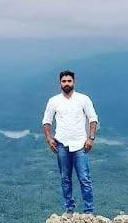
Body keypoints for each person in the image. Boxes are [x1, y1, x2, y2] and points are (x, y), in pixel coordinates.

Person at [42, 70, 98, 214]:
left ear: (74, 82)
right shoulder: (54, 101)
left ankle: (89, 211)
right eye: (64, 81)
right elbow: (46, 122)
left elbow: (93, 119)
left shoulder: (83, 99)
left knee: (84, 178)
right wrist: (49, 138)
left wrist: (90, 138)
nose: (66, 84)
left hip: (80, 145)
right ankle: (69, 209)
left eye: (69, 81)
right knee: (65, 179)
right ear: (60, 83)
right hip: (62, 144)